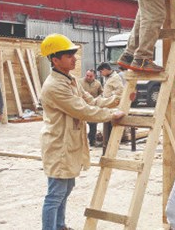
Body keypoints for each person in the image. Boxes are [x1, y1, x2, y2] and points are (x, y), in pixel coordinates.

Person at [38, 34, 125, 230]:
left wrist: (118, 100)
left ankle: (59, 225)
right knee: (55, 194)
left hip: (69, 143)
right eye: (69, 55)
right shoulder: (54, 86)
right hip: (59, 143)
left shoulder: (72, 80)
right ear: (55, 60)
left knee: (67, 188)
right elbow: (82, 110)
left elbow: (92, 101)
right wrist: (111, 114)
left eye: (73, 54)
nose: (74, 58)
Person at [96, 62, 128, 150]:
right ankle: (107, 143)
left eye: (101, 71)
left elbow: (120, 90)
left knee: (111, 126)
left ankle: (111, 145)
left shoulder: (115, 77)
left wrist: (110, 96)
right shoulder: (108, 77)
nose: (101, 74)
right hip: (107, 104)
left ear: (106, 70)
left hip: (112, 105)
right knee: (106, 126)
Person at [79, 69, 103, 146]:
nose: (88, 77)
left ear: (94, 76)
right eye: (87, 75)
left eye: (90, 76)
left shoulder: (98, 84)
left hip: (92, 107)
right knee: (79, 125)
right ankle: (80, 143)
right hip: (81, 107)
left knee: (93, 125)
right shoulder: (79, 82)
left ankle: (92, 141)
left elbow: (101, 93)